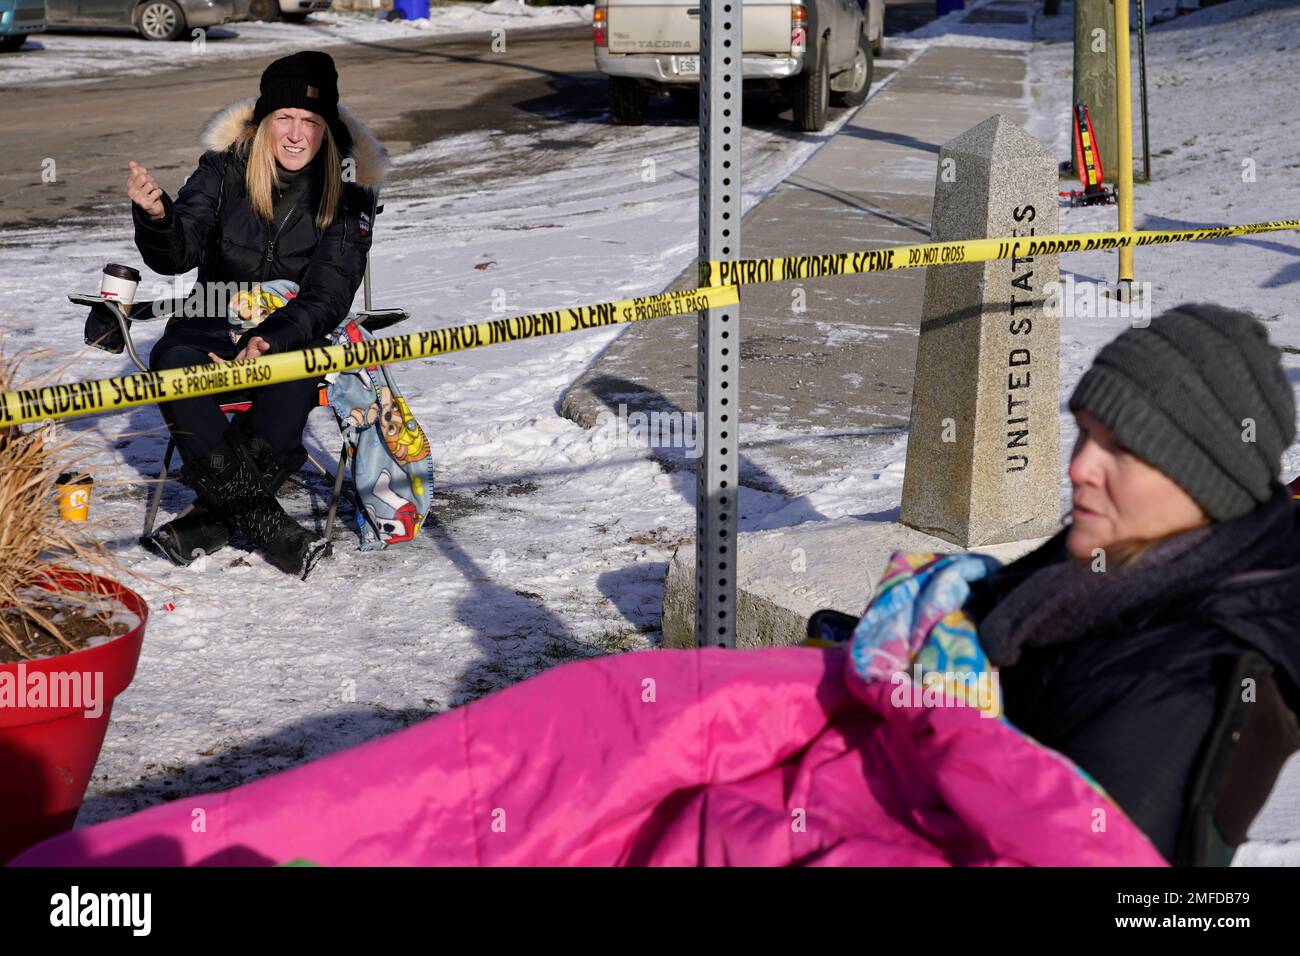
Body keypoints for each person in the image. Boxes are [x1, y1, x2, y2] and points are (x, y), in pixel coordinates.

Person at [966, 302, 1300, 864]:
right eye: (1084, 434)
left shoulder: (1179, 685)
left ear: (1206, 480)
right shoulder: (1126, 558)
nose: (1078, 467)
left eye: (1121, 448)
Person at [125, 50, 388, 579]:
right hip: (210, 317)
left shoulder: (349, 191)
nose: (295, 134)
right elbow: (177, 254)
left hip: (294, 328)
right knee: (173, 363)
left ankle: (211, 519)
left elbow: (331, 291)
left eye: (310, 122)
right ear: (263, 123)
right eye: (283, 119)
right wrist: (157, 216)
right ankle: (268, 524)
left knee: (291, 379)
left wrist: (274, 334)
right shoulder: (223, 171)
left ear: (326, 130)